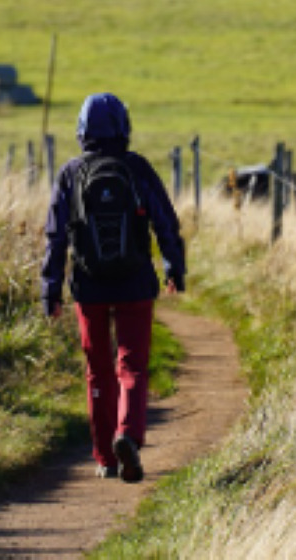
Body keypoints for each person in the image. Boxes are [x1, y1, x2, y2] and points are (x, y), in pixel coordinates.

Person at [41, 92, 186, 483]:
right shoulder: (136, 168)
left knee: (98, 371)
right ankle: (129, 435)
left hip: (88, 287)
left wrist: (50, 289)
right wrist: (174, 266)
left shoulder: (70, 173)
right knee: (132, 366)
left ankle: (105, 457)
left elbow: (55, 236)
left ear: (81, 129)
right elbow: (164, 221)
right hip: (136, 283)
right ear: (124, 126)